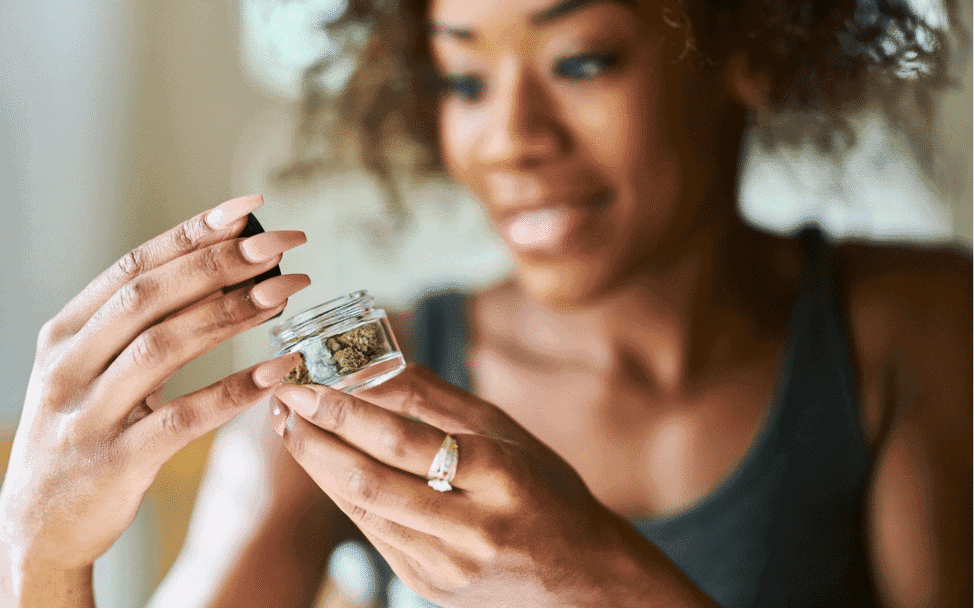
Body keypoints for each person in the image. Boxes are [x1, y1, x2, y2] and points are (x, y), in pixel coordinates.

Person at [1, 0, 969, 606]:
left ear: (746, 42)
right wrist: (39, 555)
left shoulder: (911, 328)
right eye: (464, 75)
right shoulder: (353, 391)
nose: (509, 137)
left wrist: (602, 580)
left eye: (581, 60)